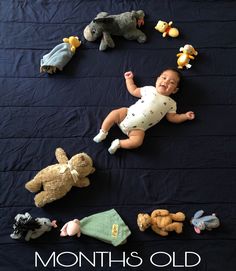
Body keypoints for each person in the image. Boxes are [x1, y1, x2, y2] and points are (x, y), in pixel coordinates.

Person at [93, 68, 195, 154]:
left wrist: (185, 116)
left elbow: (173, 118)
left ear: (174, 90)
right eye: (164, 78)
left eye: (172, 82)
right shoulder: (149, 89)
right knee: (114, 113)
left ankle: (119, 143)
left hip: (138, 129)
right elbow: (133, 90)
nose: (166, 82)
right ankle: (103, 132)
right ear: (157, 80)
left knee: (137, 142)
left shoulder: (171, 103)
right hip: (126, 114)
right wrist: (129, 79)